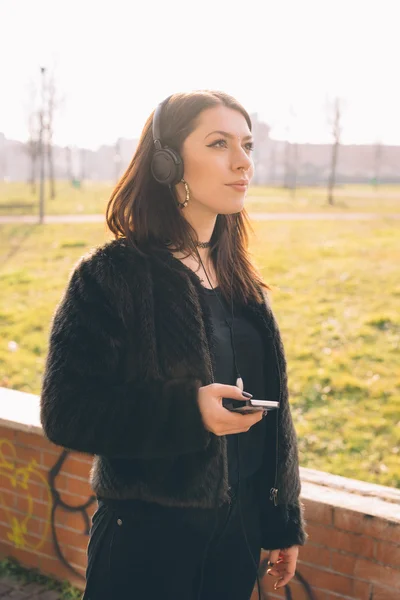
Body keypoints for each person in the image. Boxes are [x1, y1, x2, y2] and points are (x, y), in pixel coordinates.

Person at [40, 90, 308, 600]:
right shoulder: (111, 276)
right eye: (218, 143)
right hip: (147, 544)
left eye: (247, 145)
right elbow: (66, 411)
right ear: (167, 164)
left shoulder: (242, 283)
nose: (242, 162)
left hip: (238, 539)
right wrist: (189, 412)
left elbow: (279, 416)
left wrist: (281, 520)